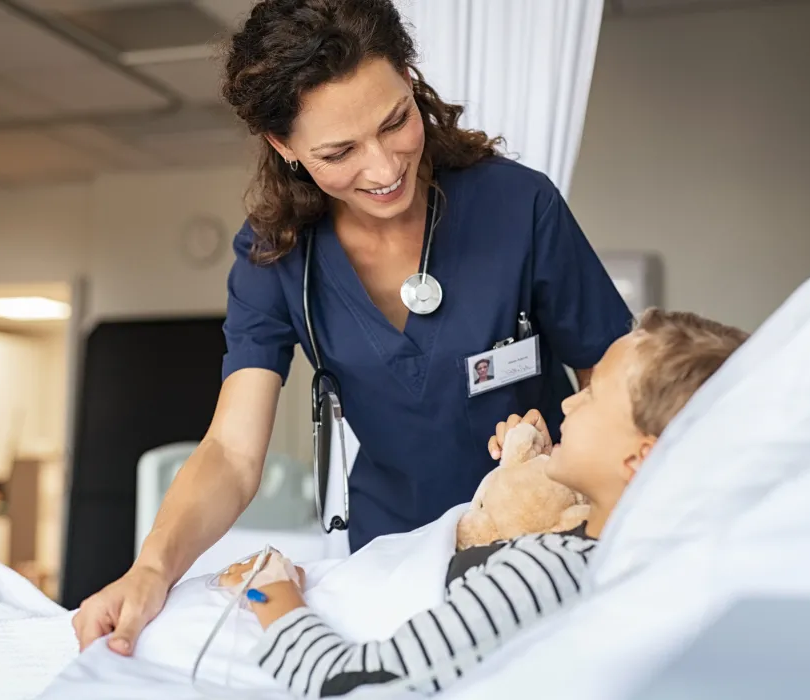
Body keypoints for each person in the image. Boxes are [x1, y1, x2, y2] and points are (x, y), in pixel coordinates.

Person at [72, 0, 632, 654]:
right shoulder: (275, 257)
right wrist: (153, 568)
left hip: (541, 541)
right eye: (339, 151)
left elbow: (616, 378)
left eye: (395, 120)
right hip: (392, 559)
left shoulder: (517, 206)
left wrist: (623, 519)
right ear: (285, 147)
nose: (384, 167)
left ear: (408, 74)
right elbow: (231, 452)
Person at [240, 309, 749, 698]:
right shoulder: (590, 555)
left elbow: (359, 685)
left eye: (592, 399)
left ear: (640, 460)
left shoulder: (552, 570)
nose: (569, 401)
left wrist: (272, 593)